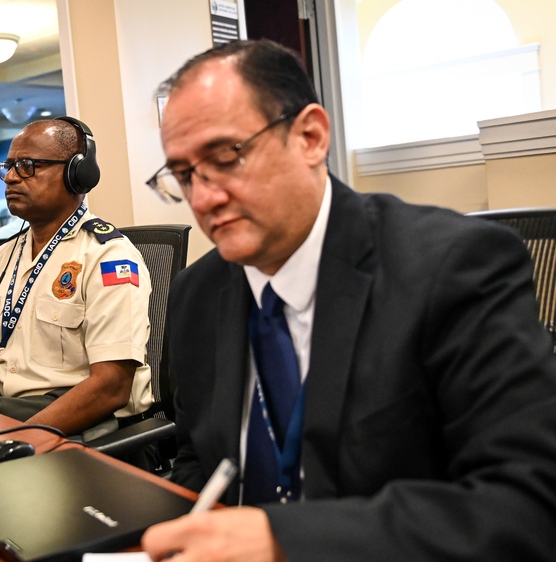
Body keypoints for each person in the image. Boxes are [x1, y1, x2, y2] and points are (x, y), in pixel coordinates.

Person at [139, 40, 556, 561]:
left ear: (310, 137)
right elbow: (198, 459)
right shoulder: (195, 293)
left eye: (226, 158)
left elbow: (527, 506)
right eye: (183, 176)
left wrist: (283, 539)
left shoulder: (453, 267)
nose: (203, 198)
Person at [0, 118, 153, 437]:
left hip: (87, 428)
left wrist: (22, 440)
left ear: (76, 174)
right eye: (8, 166)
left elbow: (111, 387)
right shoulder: (5, 257)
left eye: (27, 165)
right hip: (15, 419)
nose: (10, 178)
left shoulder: (107, 257)